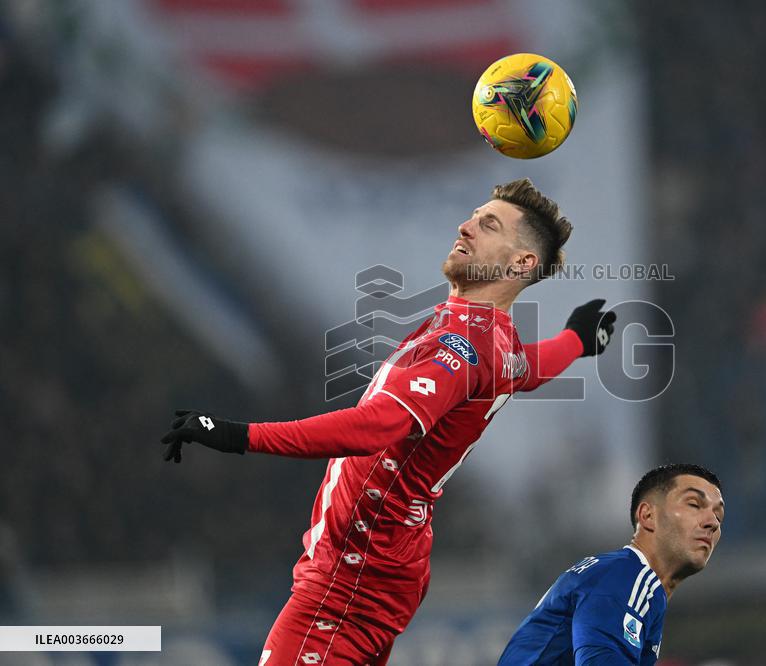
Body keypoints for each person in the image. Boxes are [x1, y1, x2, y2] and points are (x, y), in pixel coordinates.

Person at [159, 178, 617, 666]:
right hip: (383, 567)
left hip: (349, 583)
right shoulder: (496, 338)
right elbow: (526, 369)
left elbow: (378, 426)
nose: (465, 226)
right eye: (472, 216)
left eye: (488, 225)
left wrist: (235, 435)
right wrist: (575, 340)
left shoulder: (461, 345)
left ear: (522, 262)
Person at [498, 463, 724, 665]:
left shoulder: (624, 578)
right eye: (694, 504)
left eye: (719, 516)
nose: (712, 522)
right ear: (647, 516)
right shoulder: (623, 576)